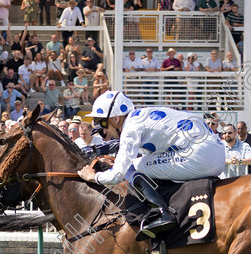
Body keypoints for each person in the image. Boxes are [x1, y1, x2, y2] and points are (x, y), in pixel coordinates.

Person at [77, 92, 225, 236]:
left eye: (102, 122)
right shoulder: (141, 115)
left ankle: (162, 212)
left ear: (116, 119)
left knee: (131, 167)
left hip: (202, 154)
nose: (102, 130)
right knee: (142, 164)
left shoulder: (130, 128)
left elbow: (117, 175)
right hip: (212, 151)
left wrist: (94, 177)